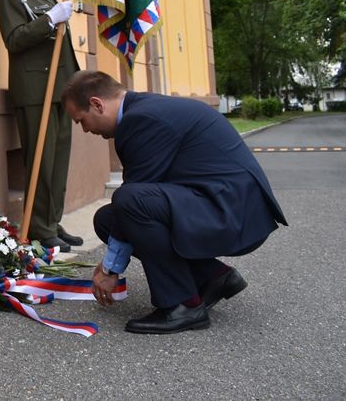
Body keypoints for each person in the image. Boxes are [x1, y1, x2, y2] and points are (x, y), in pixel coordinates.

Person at [61, 70, 288, 334]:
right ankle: (212, 277)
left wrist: (109, 269)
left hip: (233, 212)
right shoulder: (145, 109)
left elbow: (133, 198)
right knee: (108, 219)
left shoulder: (140, 119)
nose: (86, 129)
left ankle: (182, 305)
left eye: (81, 120)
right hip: (221, 203)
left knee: (128, 202)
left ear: (97, 104)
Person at [0, 0, 83, 251]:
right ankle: (40, 227)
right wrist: (50, 19)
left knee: (59, 159)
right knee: (42, 160)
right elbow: (14, 38)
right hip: (35, 88)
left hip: (59, 87)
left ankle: (52, 221)